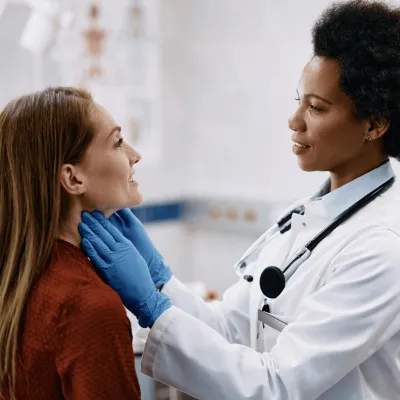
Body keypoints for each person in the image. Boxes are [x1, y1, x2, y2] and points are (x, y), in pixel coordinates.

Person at [79, 1, 400, 399]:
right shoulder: (305, 219)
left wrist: (152, 307)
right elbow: (230, 328)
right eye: (298, 100)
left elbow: (276, 386)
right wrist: (160, 280)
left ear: (374, 124)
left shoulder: (382, 249)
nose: (294, 119)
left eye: (316, 108)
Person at [0, 87, 143, 399]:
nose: (134, 155)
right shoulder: (89, 307)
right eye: (118, 142)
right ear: (74, 179)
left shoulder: (16, 280)